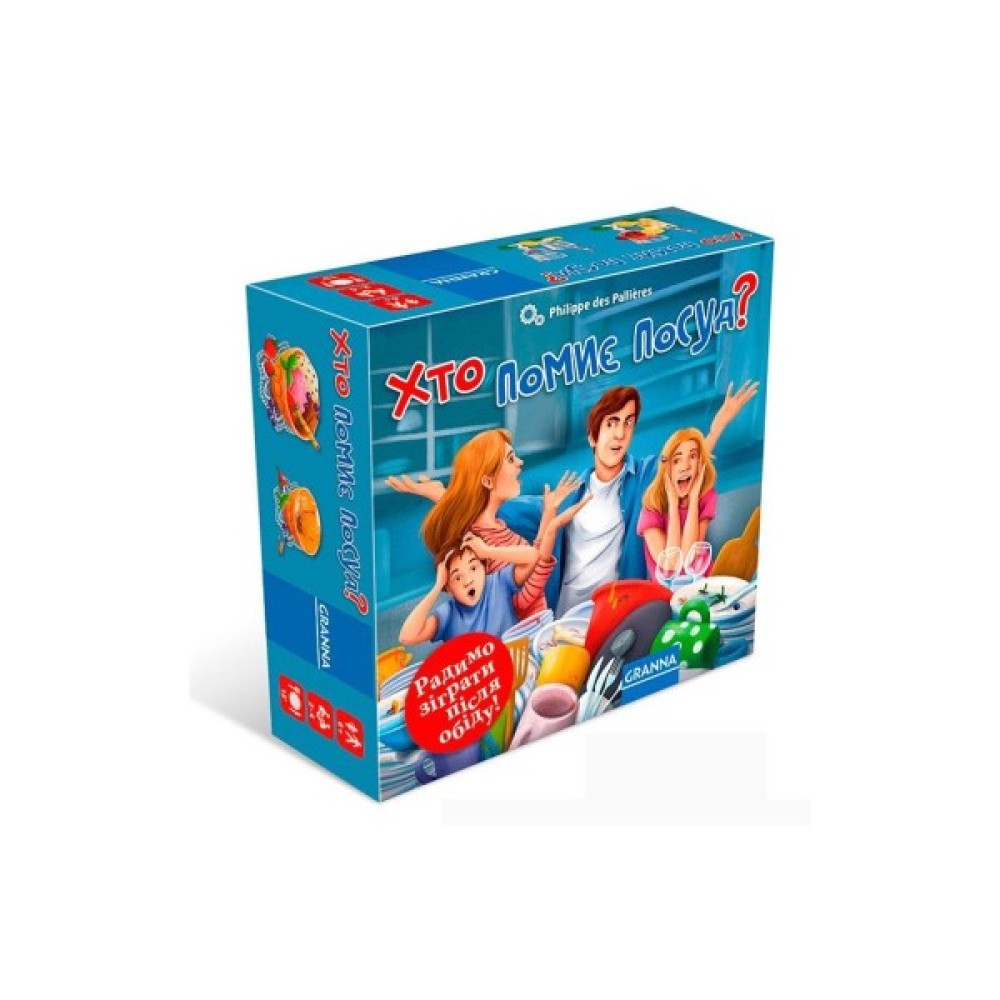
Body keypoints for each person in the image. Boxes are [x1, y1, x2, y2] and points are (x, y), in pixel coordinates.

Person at [388, 428, 581, 619]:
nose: (520, 462)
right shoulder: (480, 545)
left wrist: (548, 512)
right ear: (488, 481)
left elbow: (534, 562)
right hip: (523, 631)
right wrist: (549, 520)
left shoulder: (497, 527)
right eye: (510, 459)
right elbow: (521, 597)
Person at [398, 498, 589, 645]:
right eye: (457, 577)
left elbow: (532, 556)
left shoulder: (498, 583)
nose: (468, 580)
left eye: (473, 568)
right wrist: (437, 587)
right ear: (449, 587)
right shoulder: (449, 614)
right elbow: (407, 637)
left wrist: (487, 551)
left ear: (484, 568)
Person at [637, 428, 718, 580]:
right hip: (666, 590)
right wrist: (673, 505)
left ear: (700, 463)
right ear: (667, 468)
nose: (685, 466)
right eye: (676, 460)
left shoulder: (706, 496)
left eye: (692, 456)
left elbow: (688, 557)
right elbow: (671, 564)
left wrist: (693, 499)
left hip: (701, 582)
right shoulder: (651, 508)